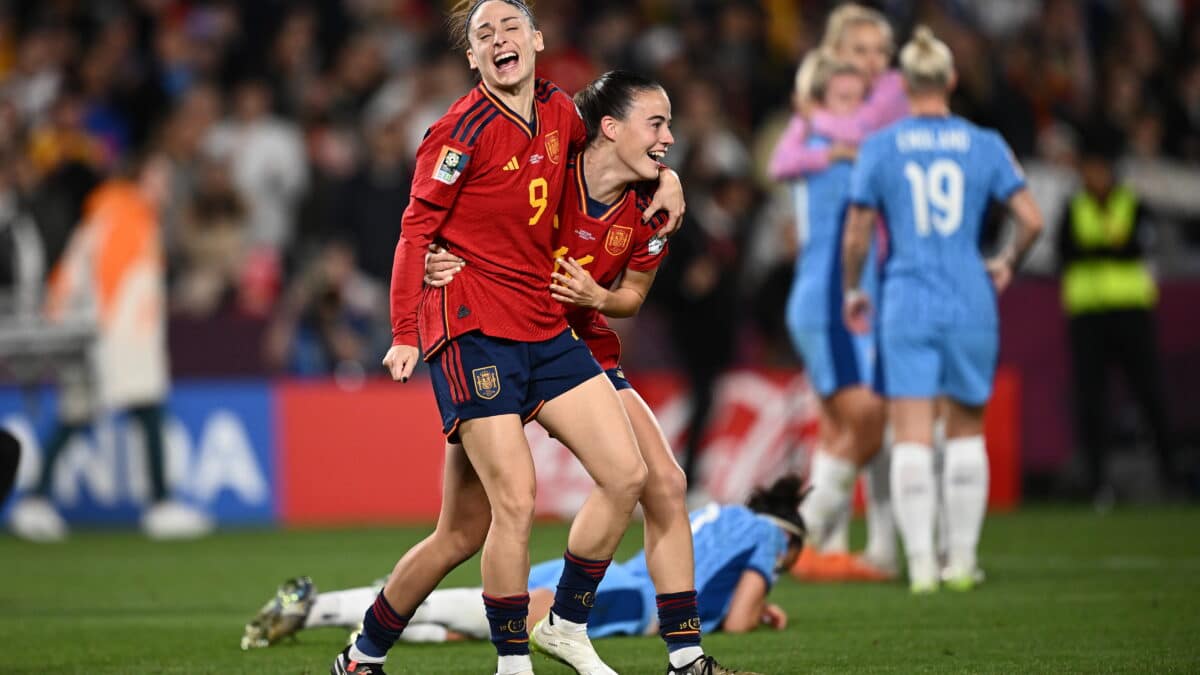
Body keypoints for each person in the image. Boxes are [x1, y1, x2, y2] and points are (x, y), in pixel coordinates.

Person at [334, 3, 684, 675]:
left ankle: (550, 625)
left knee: (618, 477)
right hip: (471, 328)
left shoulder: (562, 114)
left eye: (510, 27)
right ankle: (512, 664)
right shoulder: (456, 133)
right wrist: (406, 331)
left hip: (543, 324)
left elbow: (622, 142)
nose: (500, 39)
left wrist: (668, 177)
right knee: (514, 501)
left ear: (538, 39)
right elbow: (415, 233)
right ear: (472, 60)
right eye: (483, 35)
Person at [423, 70, 756, 675]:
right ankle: (379, 634)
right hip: (500, 340)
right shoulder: (552, 162)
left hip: (582, 350)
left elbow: (632, 296)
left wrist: (598, 297)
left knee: (666, 484)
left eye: (669, 125)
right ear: (609, 127)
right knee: (465, 529)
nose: (668, 138)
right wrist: (438, 255)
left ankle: (680, 655)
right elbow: (476, 190)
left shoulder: (651, 211)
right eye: (656, 123)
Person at [841, 26, 1044, 593]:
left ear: (905, 84)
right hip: (969, 293)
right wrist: (1006, 261)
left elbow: (858, 233)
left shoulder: (881, 146)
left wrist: (853, 287)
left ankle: (923, 566)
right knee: (965, 432)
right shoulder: (985, 143)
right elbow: (1033, 219)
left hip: (906, 296)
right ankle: (961, 563)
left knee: (909, 433)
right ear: (952, 80)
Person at [243, 476, 806, 651]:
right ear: (789, 539)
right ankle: (321, 607)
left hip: (607, 570)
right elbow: (736, 618)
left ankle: (327, 609)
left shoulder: (721, 513)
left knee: (479, 625)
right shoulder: (766, 539)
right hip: (631, 596)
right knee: (489, 618)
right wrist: (760, 611)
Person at [7, 153, 213, 542]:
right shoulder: (123, 214)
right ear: (141, 177)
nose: (167, 188)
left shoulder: (125, 213)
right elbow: (110, 284)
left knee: (105, 414)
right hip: (110, 338)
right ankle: (156, 504)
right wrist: (113, 342)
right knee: (104, 413)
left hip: (107, 336)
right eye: (160, 178)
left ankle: (39, 501)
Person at [769, 3, 905, 582]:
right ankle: (808, 535)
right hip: (837, 289)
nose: (875, 66)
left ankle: (838, 540)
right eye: (861, 52)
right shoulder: (835, 120)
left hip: (851, 284)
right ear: (836, 57)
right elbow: (784, 163)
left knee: (847, 421)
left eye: (881, 54)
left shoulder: (854, 112)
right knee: (870, 416)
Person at [1057, 128, 1179, 503]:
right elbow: (1067, 253)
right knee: (1091, 402)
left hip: (1131, 313)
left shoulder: (1133, 203)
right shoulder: (1073, 207)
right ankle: (1097, 485)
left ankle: (1171, 479)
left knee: (1151, 396)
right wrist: (1111, 248)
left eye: (1100, 168)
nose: (1094, 176)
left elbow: (1137, 248)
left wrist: (1099, 250)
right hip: (1088, 316)